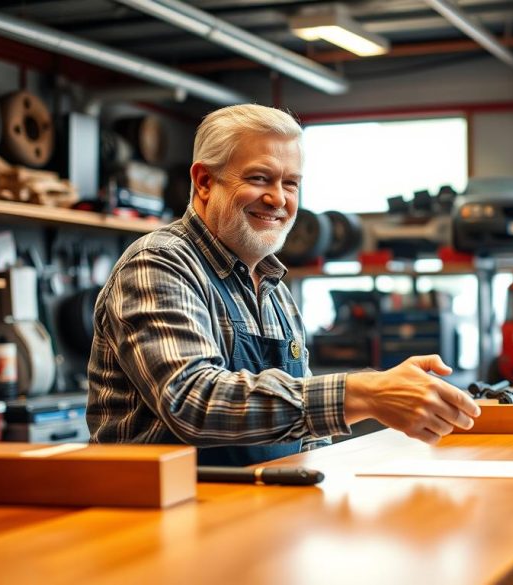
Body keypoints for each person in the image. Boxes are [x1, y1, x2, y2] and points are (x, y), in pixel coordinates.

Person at [88, 104, 479, 466]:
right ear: (205, 181)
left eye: (291, 183)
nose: (278, 199)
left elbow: (308, 435)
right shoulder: (160, 263)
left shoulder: (275, 290)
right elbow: (193, 402)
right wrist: (364, 393)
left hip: (258, 512)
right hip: (159, 522)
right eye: (260, 178)